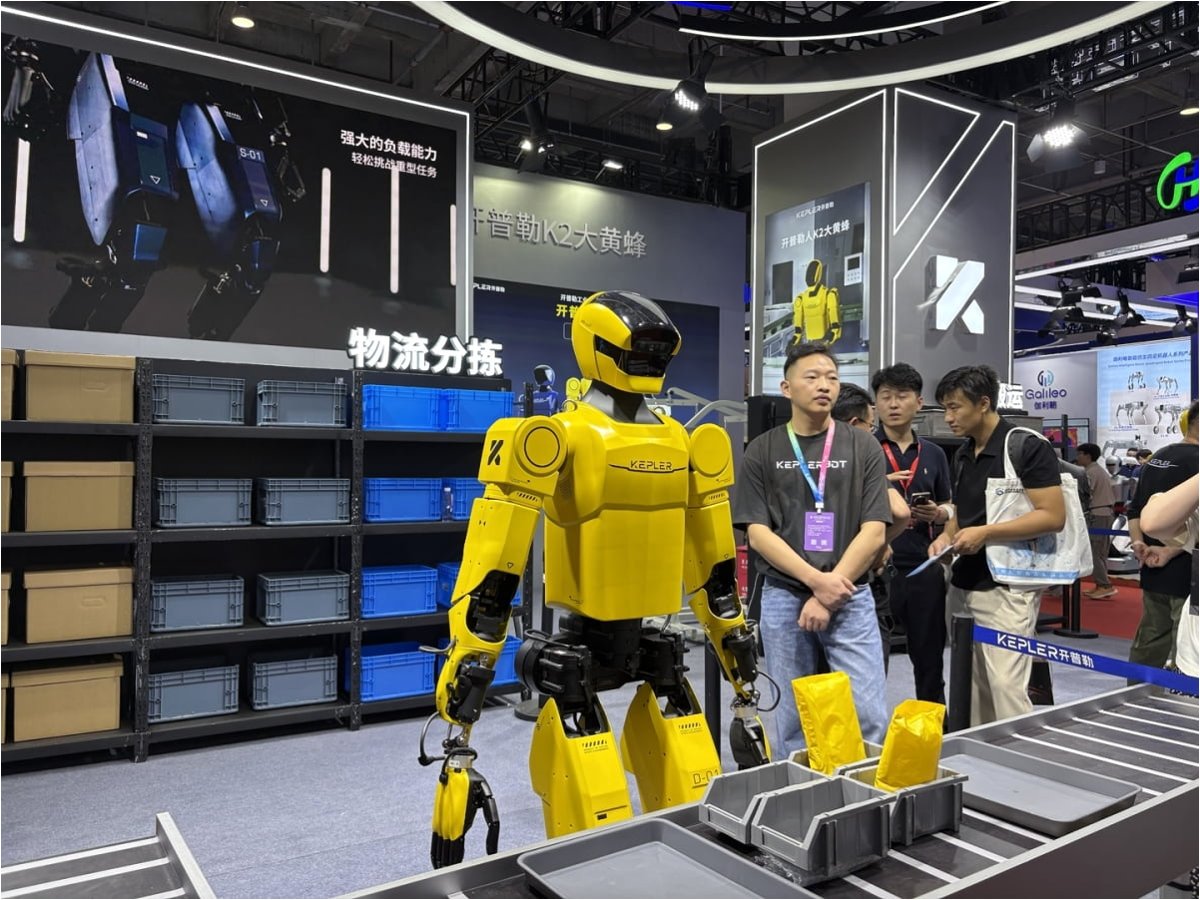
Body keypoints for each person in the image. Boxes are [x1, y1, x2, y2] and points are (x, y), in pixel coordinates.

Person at [733, 342, 892, 751]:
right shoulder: (762, 449)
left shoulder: (863, 446)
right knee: (793, 718)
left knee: (867, 713)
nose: (825, 385)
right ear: (786, 388)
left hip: (850, 592)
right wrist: (815, 583)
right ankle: (801, 789)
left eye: (832, 378)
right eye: (813, 377)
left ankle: (862, 789)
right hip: (784, 594)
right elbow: (757, 533)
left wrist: (829, 589)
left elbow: (874, 530)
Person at [929, 365, 1065, 725]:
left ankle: (1021, 757)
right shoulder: (963, 453)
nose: (948, 417)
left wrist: (986, 533)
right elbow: (962, 511)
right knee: (972, 685)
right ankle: (980, 754)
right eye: (945, 408)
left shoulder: (1025, 446)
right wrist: (946, 536)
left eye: (955, 407)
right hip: (964, 584)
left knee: (1005, 686)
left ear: (984, 403)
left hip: (1009, 587)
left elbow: (1053, 516)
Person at [872, 363, 955, 703]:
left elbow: (949, 504)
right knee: (871, 661)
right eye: (885, 396)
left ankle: (934, 725)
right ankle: (870, 728)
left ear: (918, 402)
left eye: (902, 396)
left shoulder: (934, 453)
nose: (893, 404)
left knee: (929, 657)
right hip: (875, 567)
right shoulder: (863, 449)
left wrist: (940, 516)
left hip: (923, 564)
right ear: (875, 403)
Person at [831, 383, 911, 670]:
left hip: (812, 582)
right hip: (862, 583)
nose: (872, 432)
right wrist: (880, 542)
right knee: (865, 678)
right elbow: (901, 512)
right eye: (871, 425)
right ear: (855, 424)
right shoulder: (866, 460)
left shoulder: (801, 457)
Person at [1127, 401, 1198, 672]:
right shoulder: (1196, 462)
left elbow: (1137, 509)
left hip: (1153, 562)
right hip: (1188, 570)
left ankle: (1139, 689)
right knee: (1186, 643)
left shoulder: (1157, 457)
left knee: (1151, 636)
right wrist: (1172, 549)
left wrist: (1138, 542)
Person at [1074, 443, 1118, 599]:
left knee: (1095, 551)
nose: (1077, 457)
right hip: (1102, 513)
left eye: (1079, 454)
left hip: (1098, 514)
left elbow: (1085, 494)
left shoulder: (1090, 472)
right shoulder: (1097, 470)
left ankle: (1104, 585)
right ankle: (1101, 584)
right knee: (1099, 551)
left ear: (1087, 455)